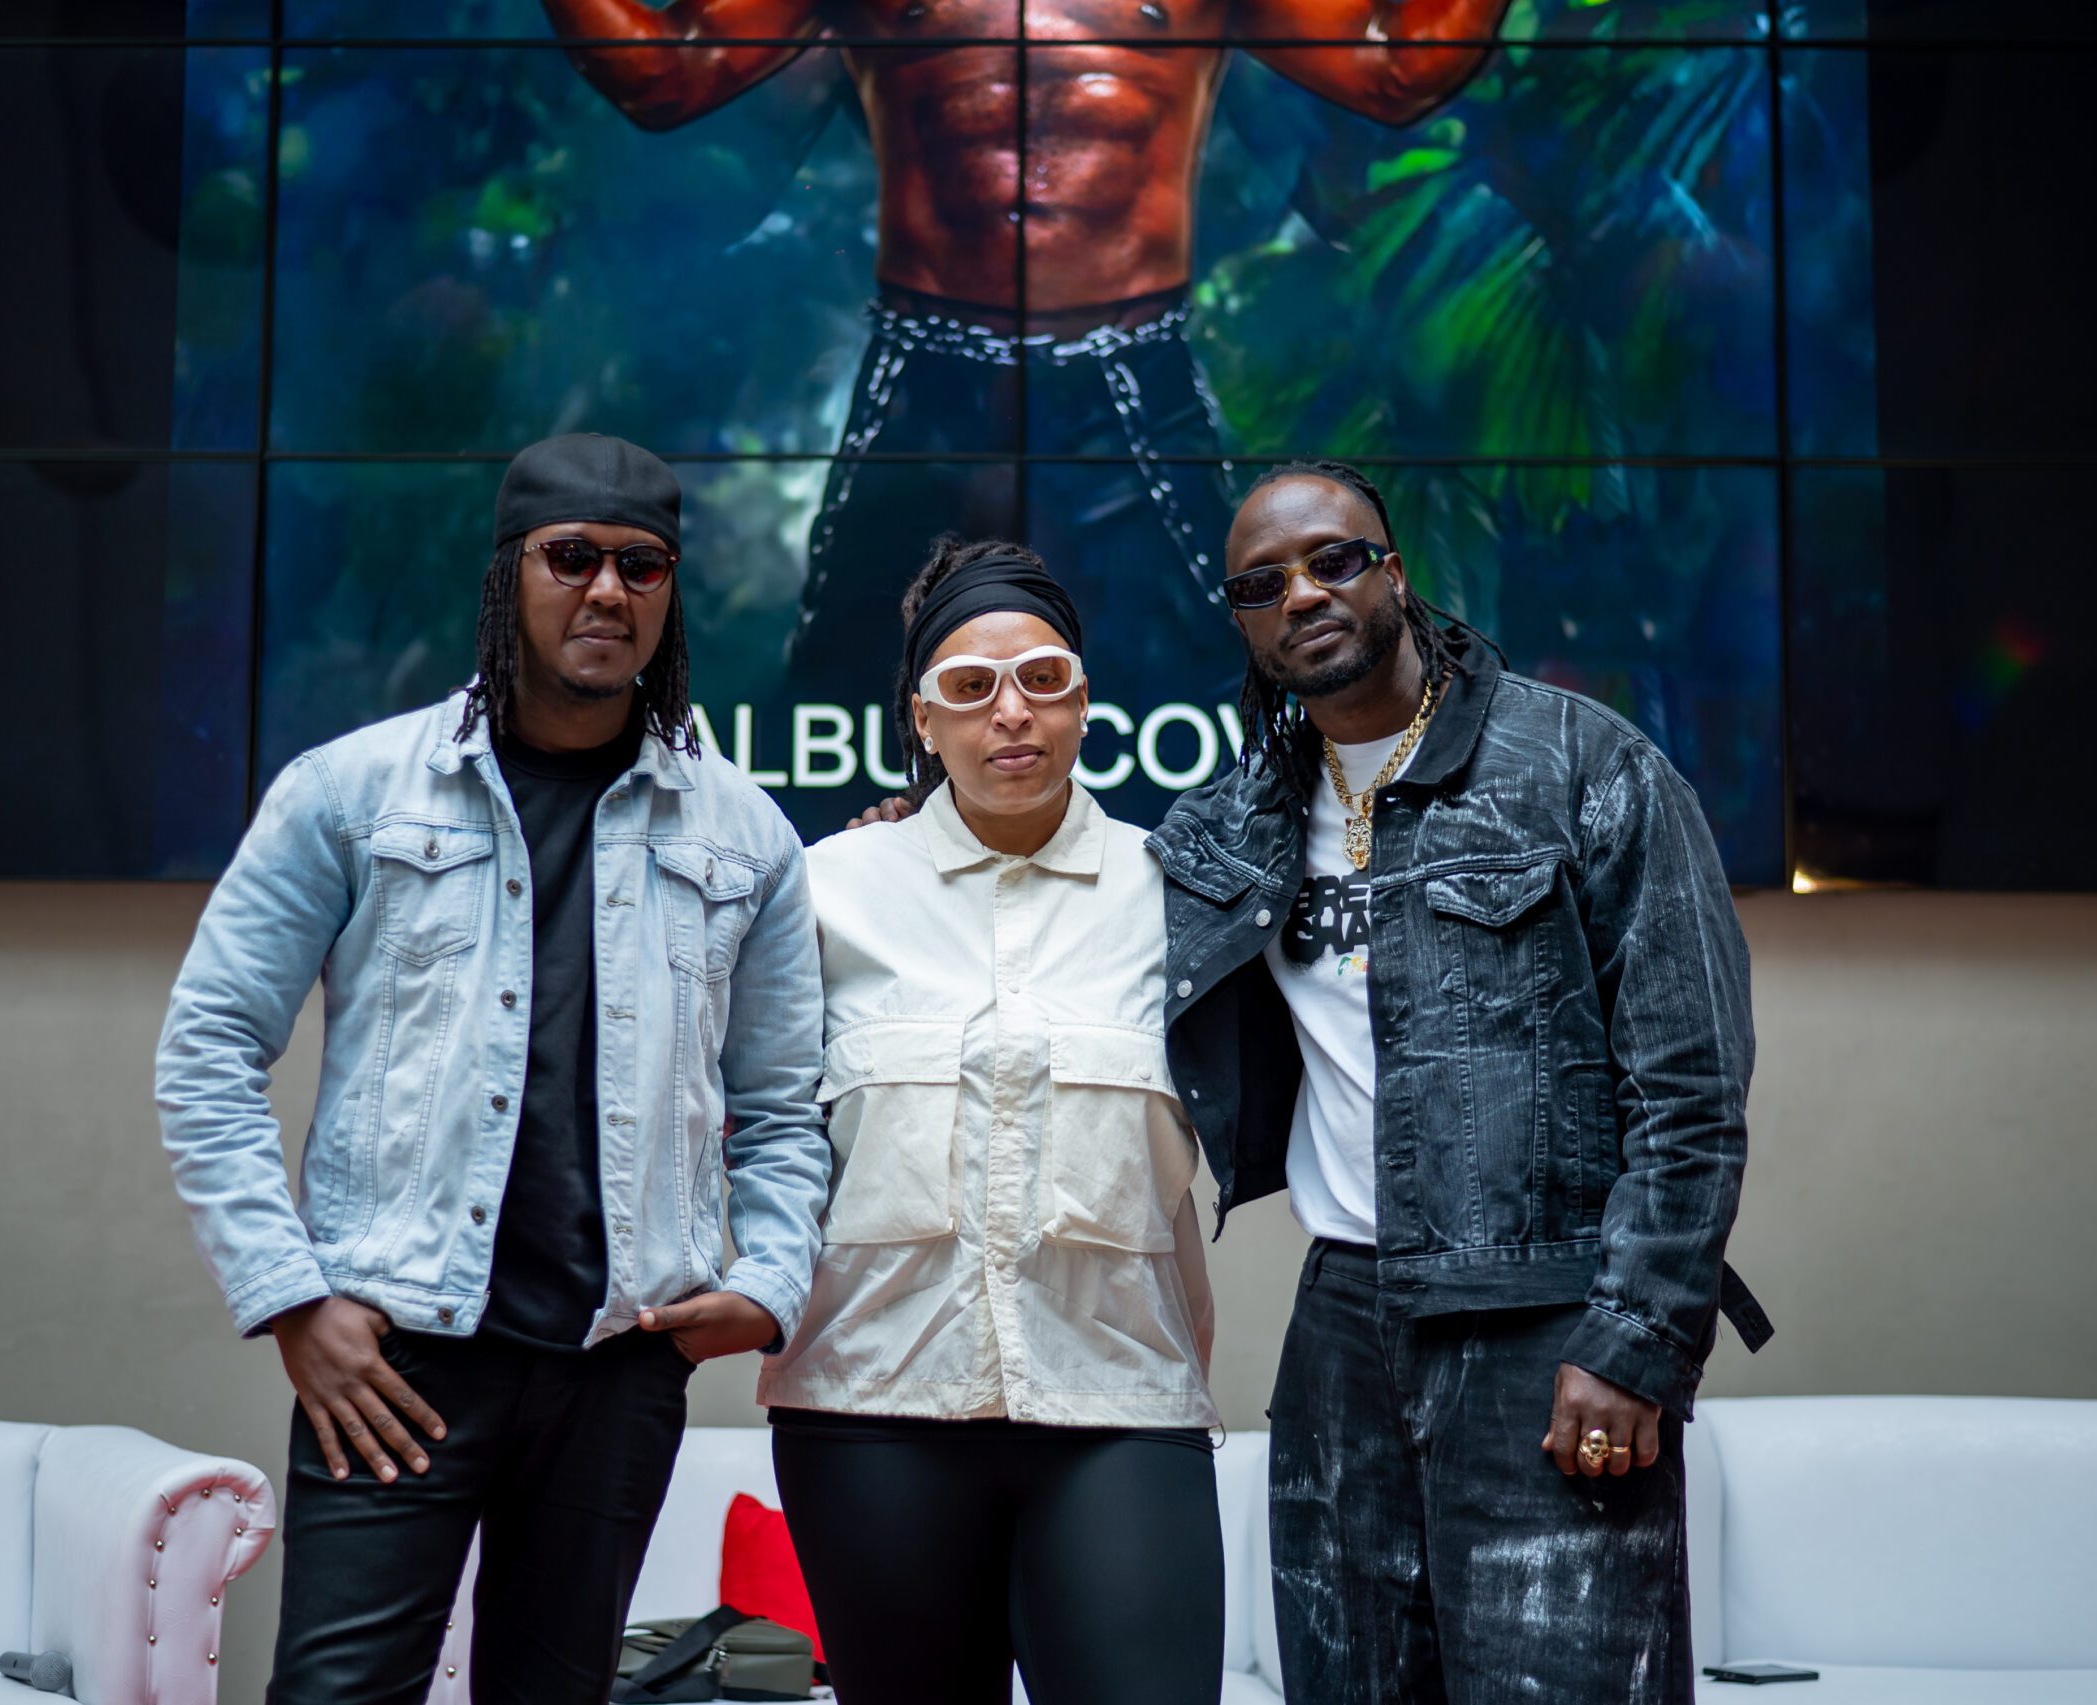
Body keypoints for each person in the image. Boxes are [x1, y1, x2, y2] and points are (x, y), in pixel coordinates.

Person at [154, 434, 831, 1705]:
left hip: (619, 1363)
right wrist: (292, 1299)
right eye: (570, 557)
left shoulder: (745, 834)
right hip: (395, 1357)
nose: (607, 590)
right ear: (508, 572)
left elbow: (785, 1109)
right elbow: (207, 1049)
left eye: (641, 565)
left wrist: (769, 1281)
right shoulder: (351, 792)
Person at [1150, 458, 1775, 1701]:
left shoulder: (1582, 764)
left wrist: (1635, 1341)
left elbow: (1691, 1091)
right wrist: (914, 823)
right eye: (1262, 584)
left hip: (1546, 1320)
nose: (1302, 594)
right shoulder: (1238, 818)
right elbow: (1068, 879)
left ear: (1393, 571)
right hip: (1340, 1331)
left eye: (1333, 559)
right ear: (1243, 623)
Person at [537, 0, 1514, 748]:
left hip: (1126, 367)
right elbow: (666, 73)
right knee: (856, 694)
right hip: (930, 371)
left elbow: (1397, 66)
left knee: (1209, 698)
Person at [759, 538, 1224, 1705]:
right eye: (969, 687)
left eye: (1042, 679)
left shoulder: (1183, 895)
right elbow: (749, 1124)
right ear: (922, 719)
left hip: (1119, 1396)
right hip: (870, 1404)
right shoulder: (825, 889)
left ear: (1083, 700)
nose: (1010, 712)